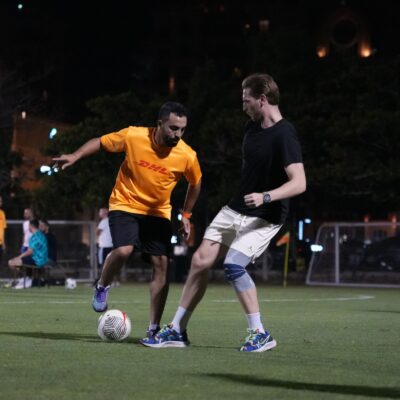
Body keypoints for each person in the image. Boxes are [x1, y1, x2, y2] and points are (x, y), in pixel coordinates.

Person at [142, 73, 306, 352]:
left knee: (233, 264)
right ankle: (177, 331)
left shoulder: (285, 133)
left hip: (266, 216)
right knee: (200, 261)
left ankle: (260, 334)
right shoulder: (251, 128)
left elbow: (299, 182)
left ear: (262, 100)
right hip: (236, 209)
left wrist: (266, 196)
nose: (243, 105)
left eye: (247, 100)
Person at [53, 101, 202, 337]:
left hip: (157, 212)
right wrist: (76, 154)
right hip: (125, 203)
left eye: (182, 129)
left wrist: (186, 214)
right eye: (173, 128)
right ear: (159, 124)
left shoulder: (186, 154)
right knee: (124, 250)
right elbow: (101, 142)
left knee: (162, 264)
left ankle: (153, 329)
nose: (178, 134)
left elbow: (195, 183)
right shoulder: (134, 136)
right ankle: (102, 285)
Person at [8, 219, 49, 289]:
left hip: (37, 261)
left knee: (11, 262)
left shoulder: (34, 237)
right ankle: (26, 278)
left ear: (30, 226)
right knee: (21, 262)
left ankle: (26, 279)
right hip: (43, 260)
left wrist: (19, 257)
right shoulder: (41, 235)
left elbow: (30, 251)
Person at [96, 207, 113, 273]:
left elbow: (97, 232)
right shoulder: (110, 220)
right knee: (110, 264)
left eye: (100, 212)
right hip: (110, 245)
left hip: (104, 246)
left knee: (103, 264)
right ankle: (112, 281)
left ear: (104, 213)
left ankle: (102, 280)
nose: (99, 214)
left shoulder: (103, 222)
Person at [0, 196, 7, 265]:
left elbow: (3, 229)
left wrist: (4, 243)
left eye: (1, 201)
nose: (1, 203)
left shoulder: (2, 213)